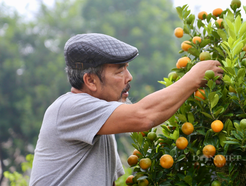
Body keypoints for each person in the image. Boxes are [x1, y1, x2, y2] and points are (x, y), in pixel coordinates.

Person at [29, 33, 223, 186]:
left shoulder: (101, 124)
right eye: (119, 71)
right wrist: (194, 77)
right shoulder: (70, 108)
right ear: (90, 80)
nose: (129, 77)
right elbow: (145, 116)